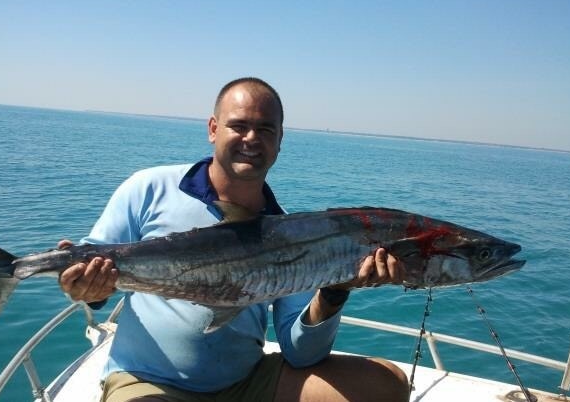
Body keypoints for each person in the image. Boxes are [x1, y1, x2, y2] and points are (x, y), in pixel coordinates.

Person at [59, 77, 410, 402]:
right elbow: (90, 272)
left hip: (245, 384)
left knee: (387, 383)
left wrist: (335, 290)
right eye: (239, 126)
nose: (251, 138)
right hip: (147, 378)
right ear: (213, 129)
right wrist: (89, 290)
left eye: (265, 129)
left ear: (279, 140)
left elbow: (301, 353)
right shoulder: (149, 188)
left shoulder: (290, 233)